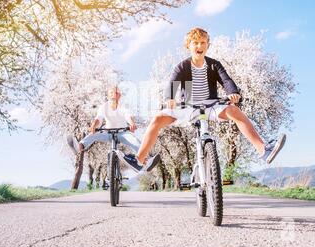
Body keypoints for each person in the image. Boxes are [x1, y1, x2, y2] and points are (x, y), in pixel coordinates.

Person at [120, 27, 286, 170]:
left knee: (235, 111)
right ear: (188, 46)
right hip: (189, 108)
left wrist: (232, 92)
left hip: (211, 106)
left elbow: (226, 80)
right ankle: (139, 160)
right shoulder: (183, 66)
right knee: (157, 118)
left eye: (203, 42)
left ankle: (263, 150)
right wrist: (170, 97)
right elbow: (173, 82)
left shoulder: (214, 64)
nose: (199, 46)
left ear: (207, 45)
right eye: (195, 43)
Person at [66, 86, 160, 172]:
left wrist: (131, 124)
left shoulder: (122, 107)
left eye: (115, 93)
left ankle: (146, 161)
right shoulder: (104, 107)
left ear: (119, 96)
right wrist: (94, 126)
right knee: (92, 135)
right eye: (111, 93)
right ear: (107, 96)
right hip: (107, 132)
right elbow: (98, 118)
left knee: (135, 141)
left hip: (122, 133)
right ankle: (79, 147)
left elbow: (127, 116)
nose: (113, 95)